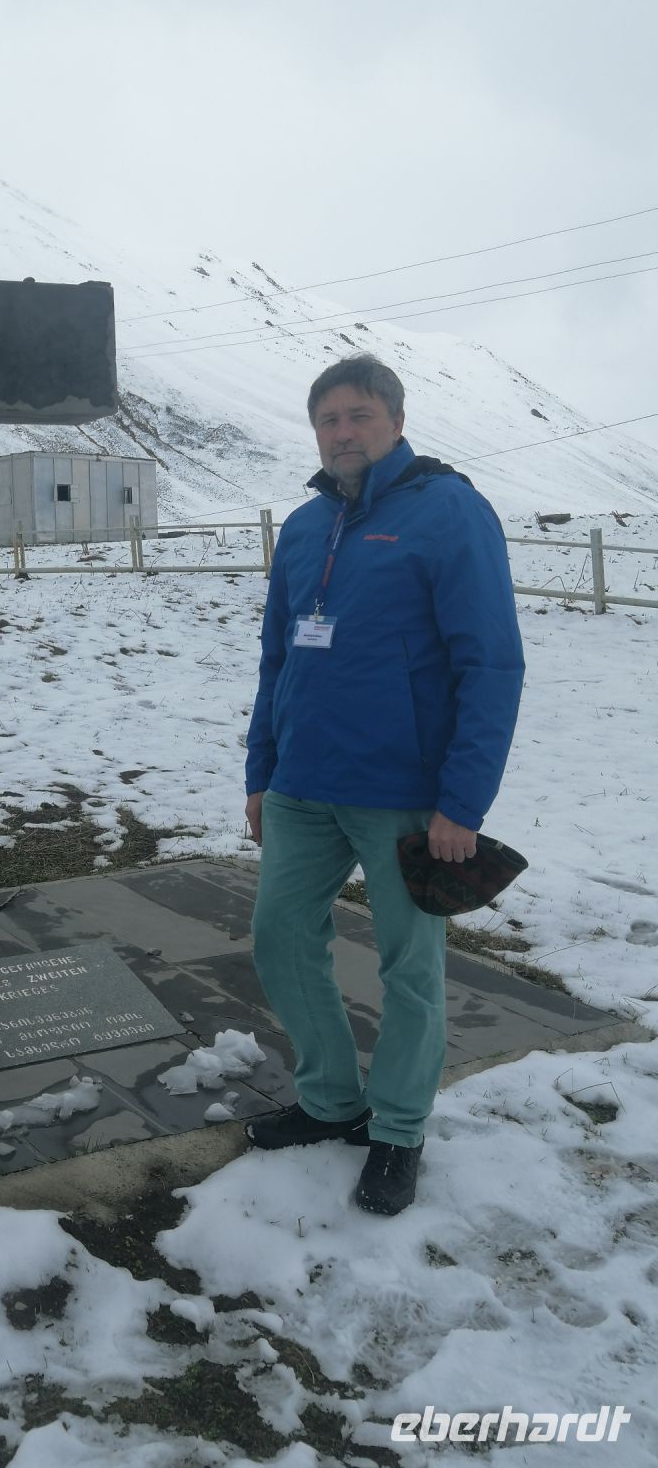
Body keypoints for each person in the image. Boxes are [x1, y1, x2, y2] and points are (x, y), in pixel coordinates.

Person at [244, 355, 524, 1215]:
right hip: (302, 785)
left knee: (410, 967)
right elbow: (278, 658)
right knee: (281, 938)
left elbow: (491, 664)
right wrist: (261, 772)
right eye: (328, 419)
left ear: (396, 422)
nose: (343, 432)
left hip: (405, 795)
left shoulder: (449, 511)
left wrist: (461, 804)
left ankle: (398, 1130)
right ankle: (332, 1100)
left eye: (359, 415)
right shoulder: (304, 526)